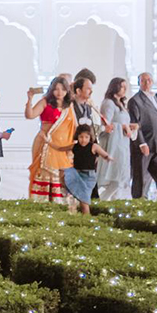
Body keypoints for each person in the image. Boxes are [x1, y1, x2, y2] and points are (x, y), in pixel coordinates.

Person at [28, 77, 75, 205]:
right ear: (51, 90)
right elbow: (30, 115)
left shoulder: (69, 107)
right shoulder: (45, 102)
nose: (59, 92)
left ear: (67, 91)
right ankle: (42, 203)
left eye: (63, 89)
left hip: (62, 147)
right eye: (56, 89)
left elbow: (73, 128)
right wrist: (30, 99)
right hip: (44, 143)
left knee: (61, 176)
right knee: (44, 173)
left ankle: (59, 203)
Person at [98, 77, 135, 200]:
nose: (124, 89)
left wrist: (130, 127)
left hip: (123, 143)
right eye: (122, 86)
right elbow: (107, 125)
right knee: (116, 179)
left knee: (121, 179)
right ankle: (102, 201)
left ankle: (115, 205)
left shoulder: (121, 104)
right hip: (113, 144)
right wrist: (123, 126)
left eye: (126, 87)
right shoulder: (109, 103)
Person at [128, 72, 157, 199]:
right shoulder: (135, 101)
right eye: (143, 80)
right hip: (144, 145)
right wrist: (142, 143)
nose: (147, 82)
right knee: (140, 177)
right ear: (139, 83)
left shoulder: (155, 98)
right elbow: (134, 123)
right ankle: (138, 203)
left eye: (149, 80)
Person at [63, 125, 111, 214]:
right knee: (76, 198)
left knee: (84, 200)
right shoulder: (75, 146)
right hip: (77, 174)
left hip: (89, 176)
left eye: (86, 137)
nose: (83, 139)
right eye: (81, 137)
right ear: (77, 136)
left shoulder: (93, 146)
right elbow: (61, 148)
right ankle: (78, 215)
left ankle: (86, 219)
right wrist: (49, 143)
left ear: (90, 137)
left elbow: (104, 154)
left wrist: (108, 158)